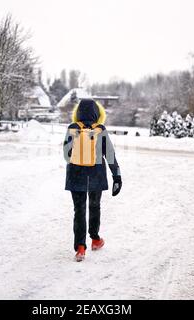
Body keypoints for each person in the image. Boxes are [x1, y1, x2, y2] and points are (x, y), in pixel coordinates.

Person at [63, 99, 122, 262]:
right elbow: (109, 154)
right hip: (96, 175)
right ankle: (95, 239)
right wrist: (117, 176)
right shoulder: (100, 129)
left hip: (76, 175)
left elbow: (66, 155)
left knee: (79, 210)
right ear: (98, 113)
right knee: (94, 206)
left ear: (78, 112)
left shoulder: (72, 128)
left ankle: (80, 248)